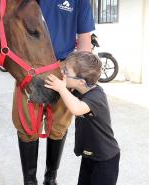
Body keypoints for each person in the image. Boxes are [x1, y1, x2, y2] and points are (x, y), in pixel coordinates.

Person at [12, 0, 95, 184]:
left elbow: (84, 39)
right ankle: (30, 181)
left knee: (59, 127)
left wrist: (78, 75)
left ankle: (50, 179)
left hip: (62, 67)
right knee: (26, 126)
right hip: (29, 66)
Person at [45, 51, 120, 185]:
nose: (63, 73)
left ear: (81, 82)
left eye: (66, 72)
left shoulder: (97, 97)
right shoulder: (80, 90)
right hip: (90, 155)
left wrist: (61, 89)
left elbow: (77, 108)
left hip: (105, 159)